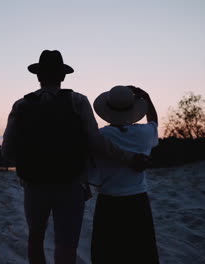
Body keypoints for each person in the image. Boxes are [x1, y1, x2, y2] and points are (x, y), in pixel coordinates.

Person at [1, 50, 149, 264]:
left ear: (38, 76)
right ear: (63, 76)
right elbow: (95, 141)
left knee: (35, 238)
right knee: (66, 244)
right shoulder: (77, 101)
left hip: (34, 184)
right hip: (70, 183)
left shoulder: (21, 105)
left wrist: (30, 164)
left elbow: (7, 151)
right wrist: (128, 158)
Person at [89, 85, 160, 263]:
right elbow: (154, 123)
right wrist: (148, 99)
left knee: (107, 254)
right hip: (138, 200)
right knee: (142, 253)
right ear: (133, 109)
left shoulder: (101, 136)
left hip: (109, 201)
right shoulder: (144, 134)